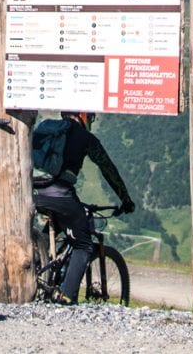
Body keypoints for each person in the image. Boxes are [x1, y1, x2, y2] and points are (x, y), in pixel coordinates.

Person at [30, 109, 136, 303]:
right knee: (84, 245)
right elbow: (108, 169)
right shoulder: (84, 137)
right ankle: (66, 296)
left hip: (33, 191)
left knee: (62, 220)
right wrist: (125, 198)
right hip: (60, 194)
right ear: (83, 116)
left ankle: (39, 263)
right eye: (91, 117)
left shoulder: (48, 128)